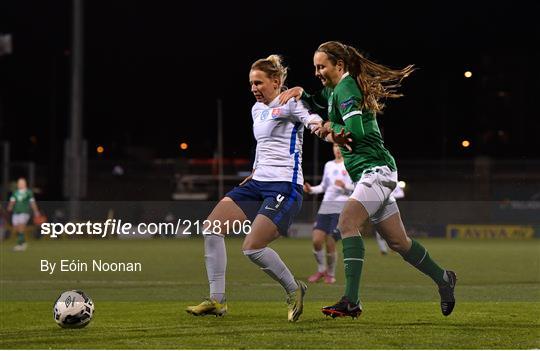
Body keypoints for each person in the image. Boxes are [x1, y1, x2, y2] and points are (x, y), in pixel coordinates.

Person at [279, 41, 456, 318]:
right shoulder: (335, 89)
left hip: (377, 171)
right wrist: (303, 93)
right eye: (315, 67)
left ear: (339, 65)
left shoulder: (347, 88)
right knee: (399, 243)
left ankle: (351, 300)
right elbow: (319, 101)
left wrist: (330, 126)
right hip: (372, 173)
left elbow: (356, 132)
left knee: (347, 221)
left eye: (321, 66)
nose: (317, 71)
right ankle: (443, 278)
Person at [186, 54, 323, 322]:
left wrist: (322, 128)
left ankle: (294, 289)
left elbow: (312, 120)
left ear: (276, 81)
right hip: (257, 183)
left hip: (284, 185)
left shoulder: (292, 103)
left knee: (252, 248)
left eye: (259, 83)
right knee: (211, 228)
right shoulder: (256, 109)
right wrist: (254, 171)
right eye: (251, 83)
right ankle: (217, 300)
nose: (254, 88)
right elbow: (263, 145)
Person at [304, 144, 354, 284]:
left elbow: (358, 186)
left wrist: (345, 186)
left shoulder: (351, 164)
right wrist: (311, 190)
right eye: (335, 146)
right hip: (325, 206)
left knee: (331, 241)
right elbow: (324, 187)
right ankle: (321, 270)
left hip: (341, 208)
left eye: (340, 146)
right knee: (316, 240)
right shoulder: (329, 165)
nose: (337, 149)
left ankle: (330, 274)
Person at [7, 177, 41, 251]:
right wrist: (10, 207)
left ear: (25, 184)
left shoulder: (28, 192)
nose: (20, 184)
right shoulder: (15, 192)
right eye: (19, 183)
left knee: (21, 226)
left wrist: (36, 211)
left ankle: (20, 245)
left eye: (21, 183)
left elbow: (32, 202)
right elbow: (12, 201)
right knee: (16, 227)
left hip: (24, 212)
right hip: (16, 212)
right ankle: (23, 242)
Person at [374, 183, 404, 255]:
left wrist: (389, 195)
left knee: (394, 230)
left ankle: (396, 248)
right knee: (379, 231)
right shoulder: (377, 183)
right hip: (380, 209)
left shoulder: (394, 183)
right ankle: (383, 250)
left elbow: (401, 194)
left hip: (391, 208)